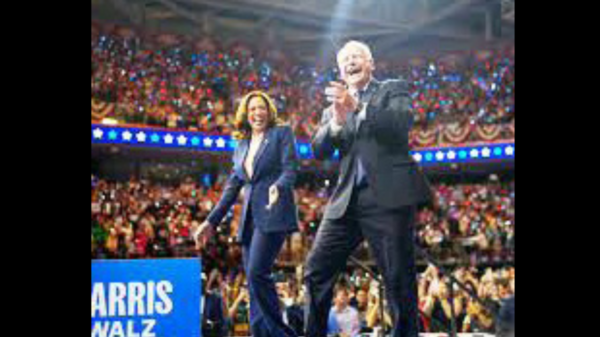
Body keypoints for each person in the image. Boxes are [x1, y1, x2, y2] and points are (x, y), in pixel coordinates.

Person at [304, 40, 433, 337]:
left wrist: (358, 107)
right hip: (345, 202)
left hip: (388, 198)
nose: (350, 62)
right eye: (344, 60)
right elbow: (319, 150)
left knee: (398, 276)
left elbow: (400, 123)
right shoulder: (334, 107)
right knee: (316, 270)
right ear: (339, 70)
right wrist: (336, 121)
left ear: (371, 63)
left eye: (356, 57)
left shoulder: (392, 88)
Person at [195, 90, 299, 337]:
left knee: (256, 272)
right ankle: (259, 332)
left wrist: (279, 186)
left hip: (273, 213)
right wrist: (210, 222)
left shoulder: (281, 133)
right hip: (249, 221)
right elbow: (232, 187)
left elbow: (291, 169)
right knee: (252, 282)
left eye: (261, 108)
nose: (257, 113)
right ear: (246, 114)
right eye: (252, 109)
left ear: (269, 111)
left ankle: (282, 333)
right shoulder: (241, 145)